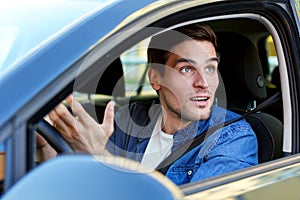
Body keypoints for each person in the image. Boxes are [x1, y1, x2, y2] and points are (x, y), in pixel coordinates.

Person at [37, 23, 258, 185]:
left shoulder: (234, 137)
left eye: (210, 68)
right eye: (187, 69)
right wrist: (46, 149)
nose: (204, 84)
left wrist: (99, 156)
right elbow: (83, 185)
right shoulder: (133, 117)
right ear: (155, 79)